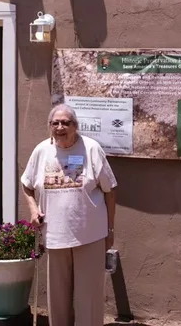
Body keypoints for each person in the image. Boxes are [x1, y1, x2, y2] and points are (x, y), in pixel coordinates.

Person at [21, 104, 118, 326]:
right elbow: (26, 185)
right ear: (49, 127)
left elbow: (110, 191)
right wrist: (34, 210)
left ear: (75, 126)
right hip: (55, 236)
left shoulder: (91, 149)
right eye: (55, 123)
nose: (60, 127)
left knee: (89, 297)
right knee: (58, 298)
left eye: (66, 122)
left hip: (90, 234)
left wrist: (110, 229)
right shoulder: (41, 151)